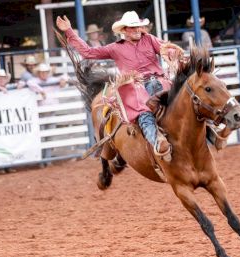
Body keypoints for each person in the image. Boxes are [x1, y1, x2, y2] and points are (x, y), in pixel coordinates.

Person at [56, 11, 183, 161]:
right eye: (132, 27)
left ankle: (211, 129)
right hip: (136, 87)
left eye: (138, 26)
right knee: (143, 113)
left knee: (186, 97)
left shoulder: (149, 39)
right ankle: (157, 141)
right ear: (124, 30)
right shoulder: (115, 48)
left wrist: (172, 53)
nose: (137, 30)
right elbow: (88, 52)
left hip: (160, 81)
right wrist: (69, 31)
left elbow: (167, 48)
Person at [27, 63, 68, 167]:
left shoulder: (52, 80)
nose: (44, 74)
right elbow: (29, 82)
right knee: (41, 137)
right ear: (39, 73)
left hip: (51, 111)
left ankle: (47, 159)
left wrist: (63, 80)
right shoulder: (36, 81)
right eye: (42, 72)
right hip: (41, 112)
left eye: (46, 72)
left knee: (50, 136)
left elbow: (65, 76)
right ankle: (42, 160)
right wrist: (41, 91)